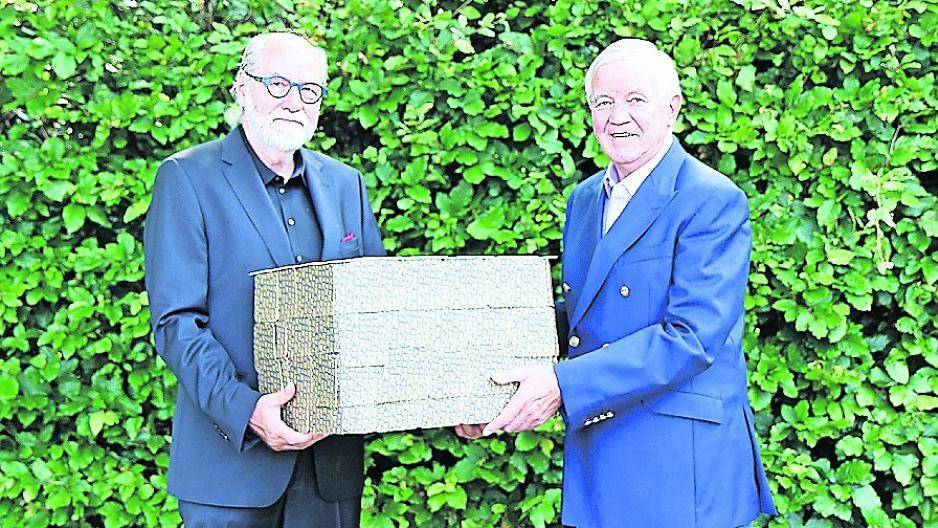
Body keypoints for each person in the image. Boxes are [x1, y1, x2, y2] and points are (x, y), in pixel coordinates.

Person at [457, 39, 777, 528]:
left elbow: (691, 338)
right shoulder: (584, 200)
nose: (617, 116)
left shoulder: (711, 199)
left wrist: (562, 385)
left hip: (676, 462)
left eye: (635, 99)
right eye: (603, 102)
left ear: (672, 108)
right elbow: (580, 315)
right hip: (601, 446)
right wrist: (485, 393)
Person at [144, 32, 384, 527]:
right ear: (242, 88)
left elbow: (374, 311)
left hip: (329, 472)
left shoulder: (347, 184)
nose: (294, 101)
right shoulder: (187, 178)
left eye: (309, 90)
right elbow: (177, 322)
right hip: (229, 469)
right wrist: (247, 410)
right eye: (278, 84)